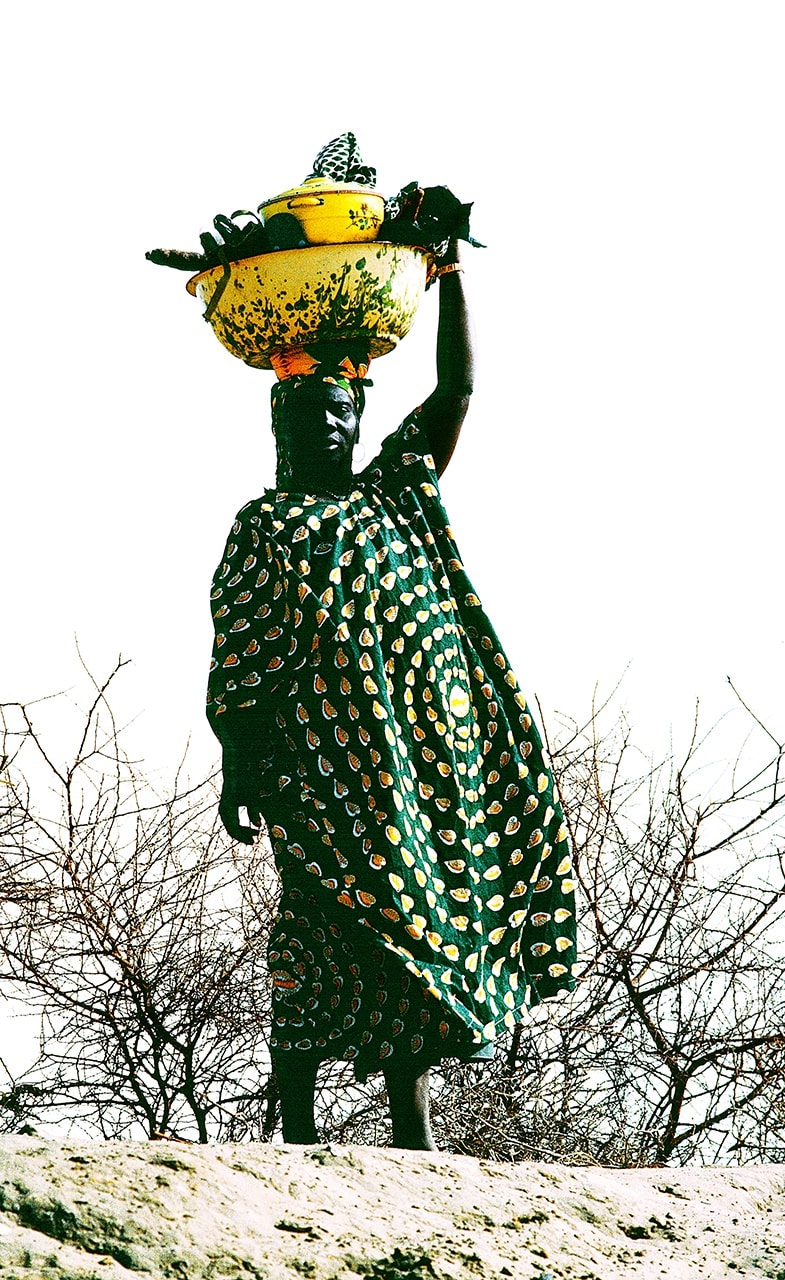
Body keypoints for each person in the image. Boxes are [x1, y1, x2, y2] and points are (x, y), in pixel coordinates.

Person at [207, 241, 577, 1149]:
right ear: (275, 428)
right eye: (301, 416)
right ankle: (295, 1129)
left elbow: (456, 396)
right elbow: (241, 656)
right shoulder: (267, 525)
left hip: (413, 778)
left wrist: (450, 277)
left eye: (337, 414)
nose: (320, 428)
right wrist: (239, 765)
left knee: (415, 932)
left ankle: (412, 1137)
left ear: (358, 421)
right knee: (312, 930)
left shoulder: (395, 497)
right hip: (314, 773)